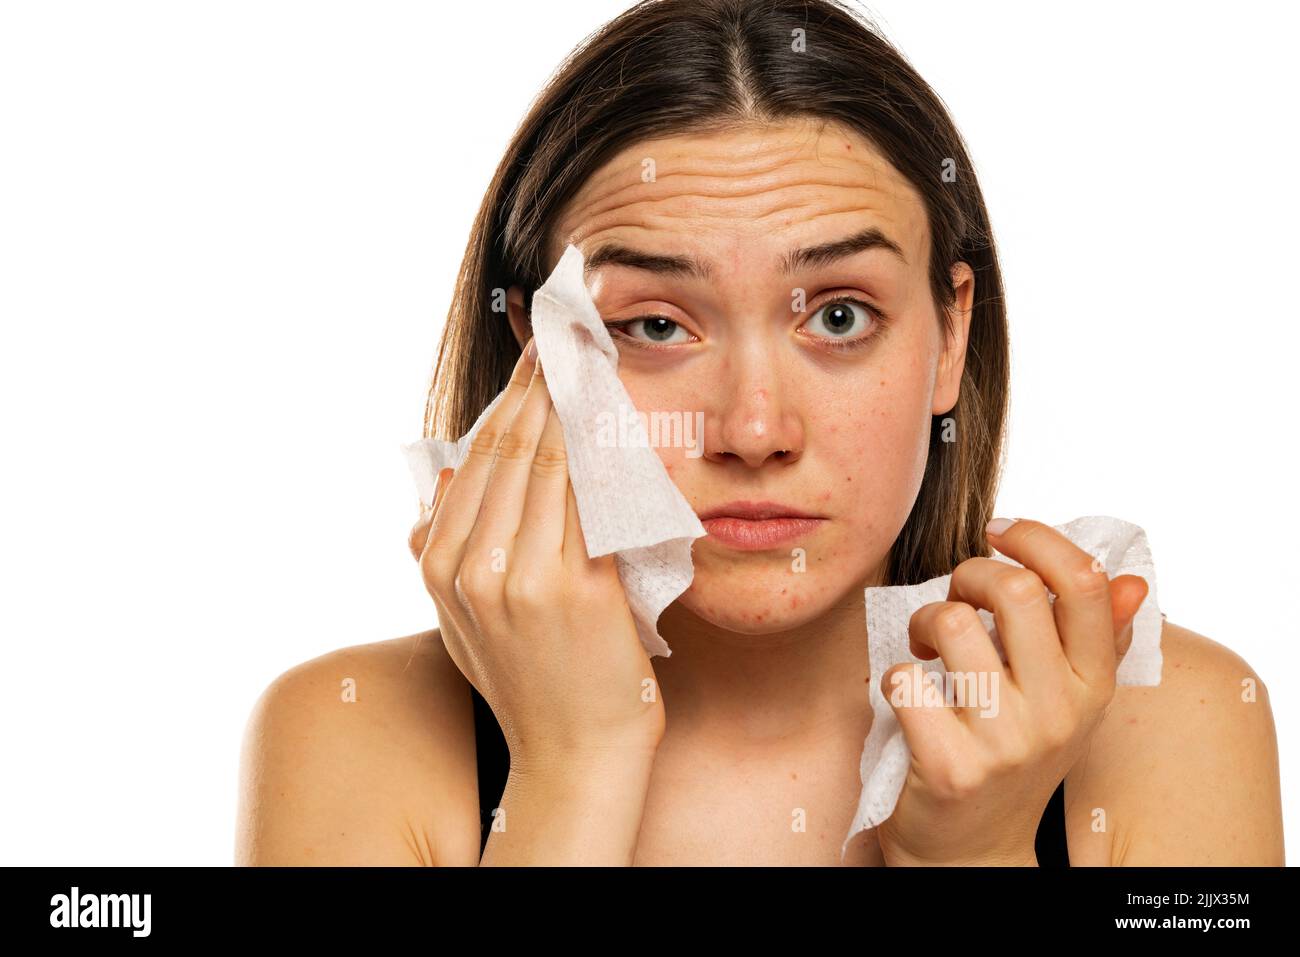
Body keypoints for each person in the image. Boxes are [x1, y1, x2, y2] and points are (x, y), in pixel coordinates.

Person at [235, 0, 1284, 866]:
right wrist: (572, 769)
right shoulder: (349, 736)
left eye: (837, 316)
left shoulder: (1166, 725)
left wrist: (976, 855)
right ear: (537, 359)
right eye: (653, 324)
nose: (752, 429)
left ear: (950, 335)